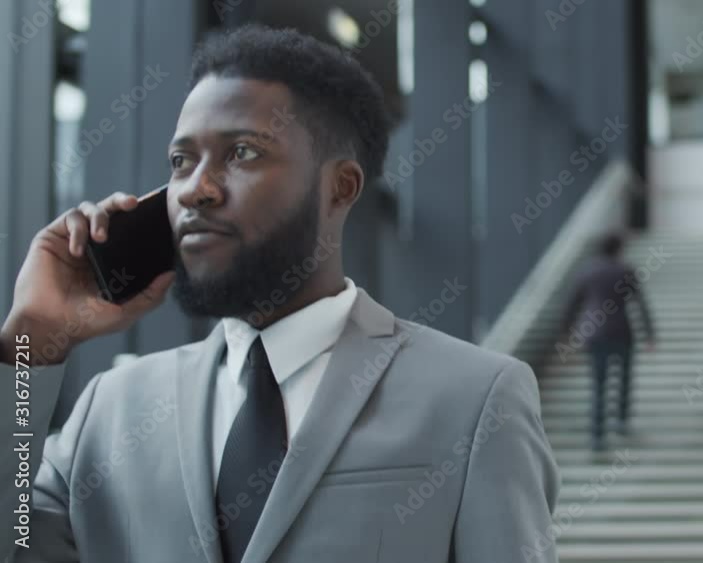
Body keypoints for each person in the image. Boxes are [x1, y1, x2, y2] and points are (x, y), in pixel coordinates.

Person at [0, 25, 558, 562]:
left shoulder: (475, 399)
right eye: (180, 161)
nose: (195, 188)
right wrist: (28, 349)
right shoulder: (111, 409)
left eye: (241, 153)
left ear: (340, 187)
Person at [560, 232, 655, 450]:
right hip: (622, 330)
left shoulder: (587, 271)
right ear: (619, 249)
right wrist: (649, 334)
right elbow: (640, 303)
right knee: (624, 379)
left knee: (599, 383)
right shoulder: (625, 271)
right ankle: (621, 420)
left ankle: (597, 434)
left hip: (595, 333)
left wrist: (567, 332)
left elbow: (572, 304)